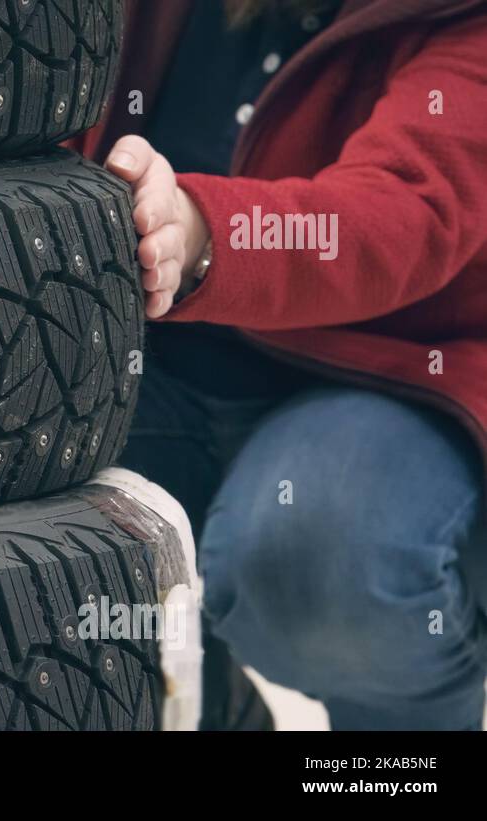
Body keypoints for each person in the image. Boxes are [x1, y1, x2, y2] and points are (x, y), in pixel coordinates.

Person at [71, 0, 487, 729]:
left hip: (387, 382)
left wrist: (200, 231)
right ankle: (217, 707)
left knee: (321, 559)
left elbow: (399, 213)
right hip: (154, 365)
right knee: (29, 520)